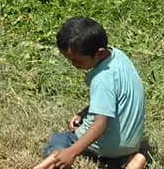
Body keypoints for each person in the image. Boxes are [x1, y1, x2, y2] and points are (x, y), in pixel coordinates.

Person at [34, 17, 148, 169]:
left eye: (78, 61)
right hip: (131, 144)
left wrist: (72, 152)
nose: (73, 65)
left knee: (60, 140)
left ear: (99, 54)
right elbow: (113, 99)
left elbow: (100, 125)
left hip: (107, 145)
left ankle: (53, 161)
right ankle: (129, 161)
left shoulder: (102, 79)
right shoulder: (119, 57)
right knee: (110, 159)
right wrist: (84, 112)